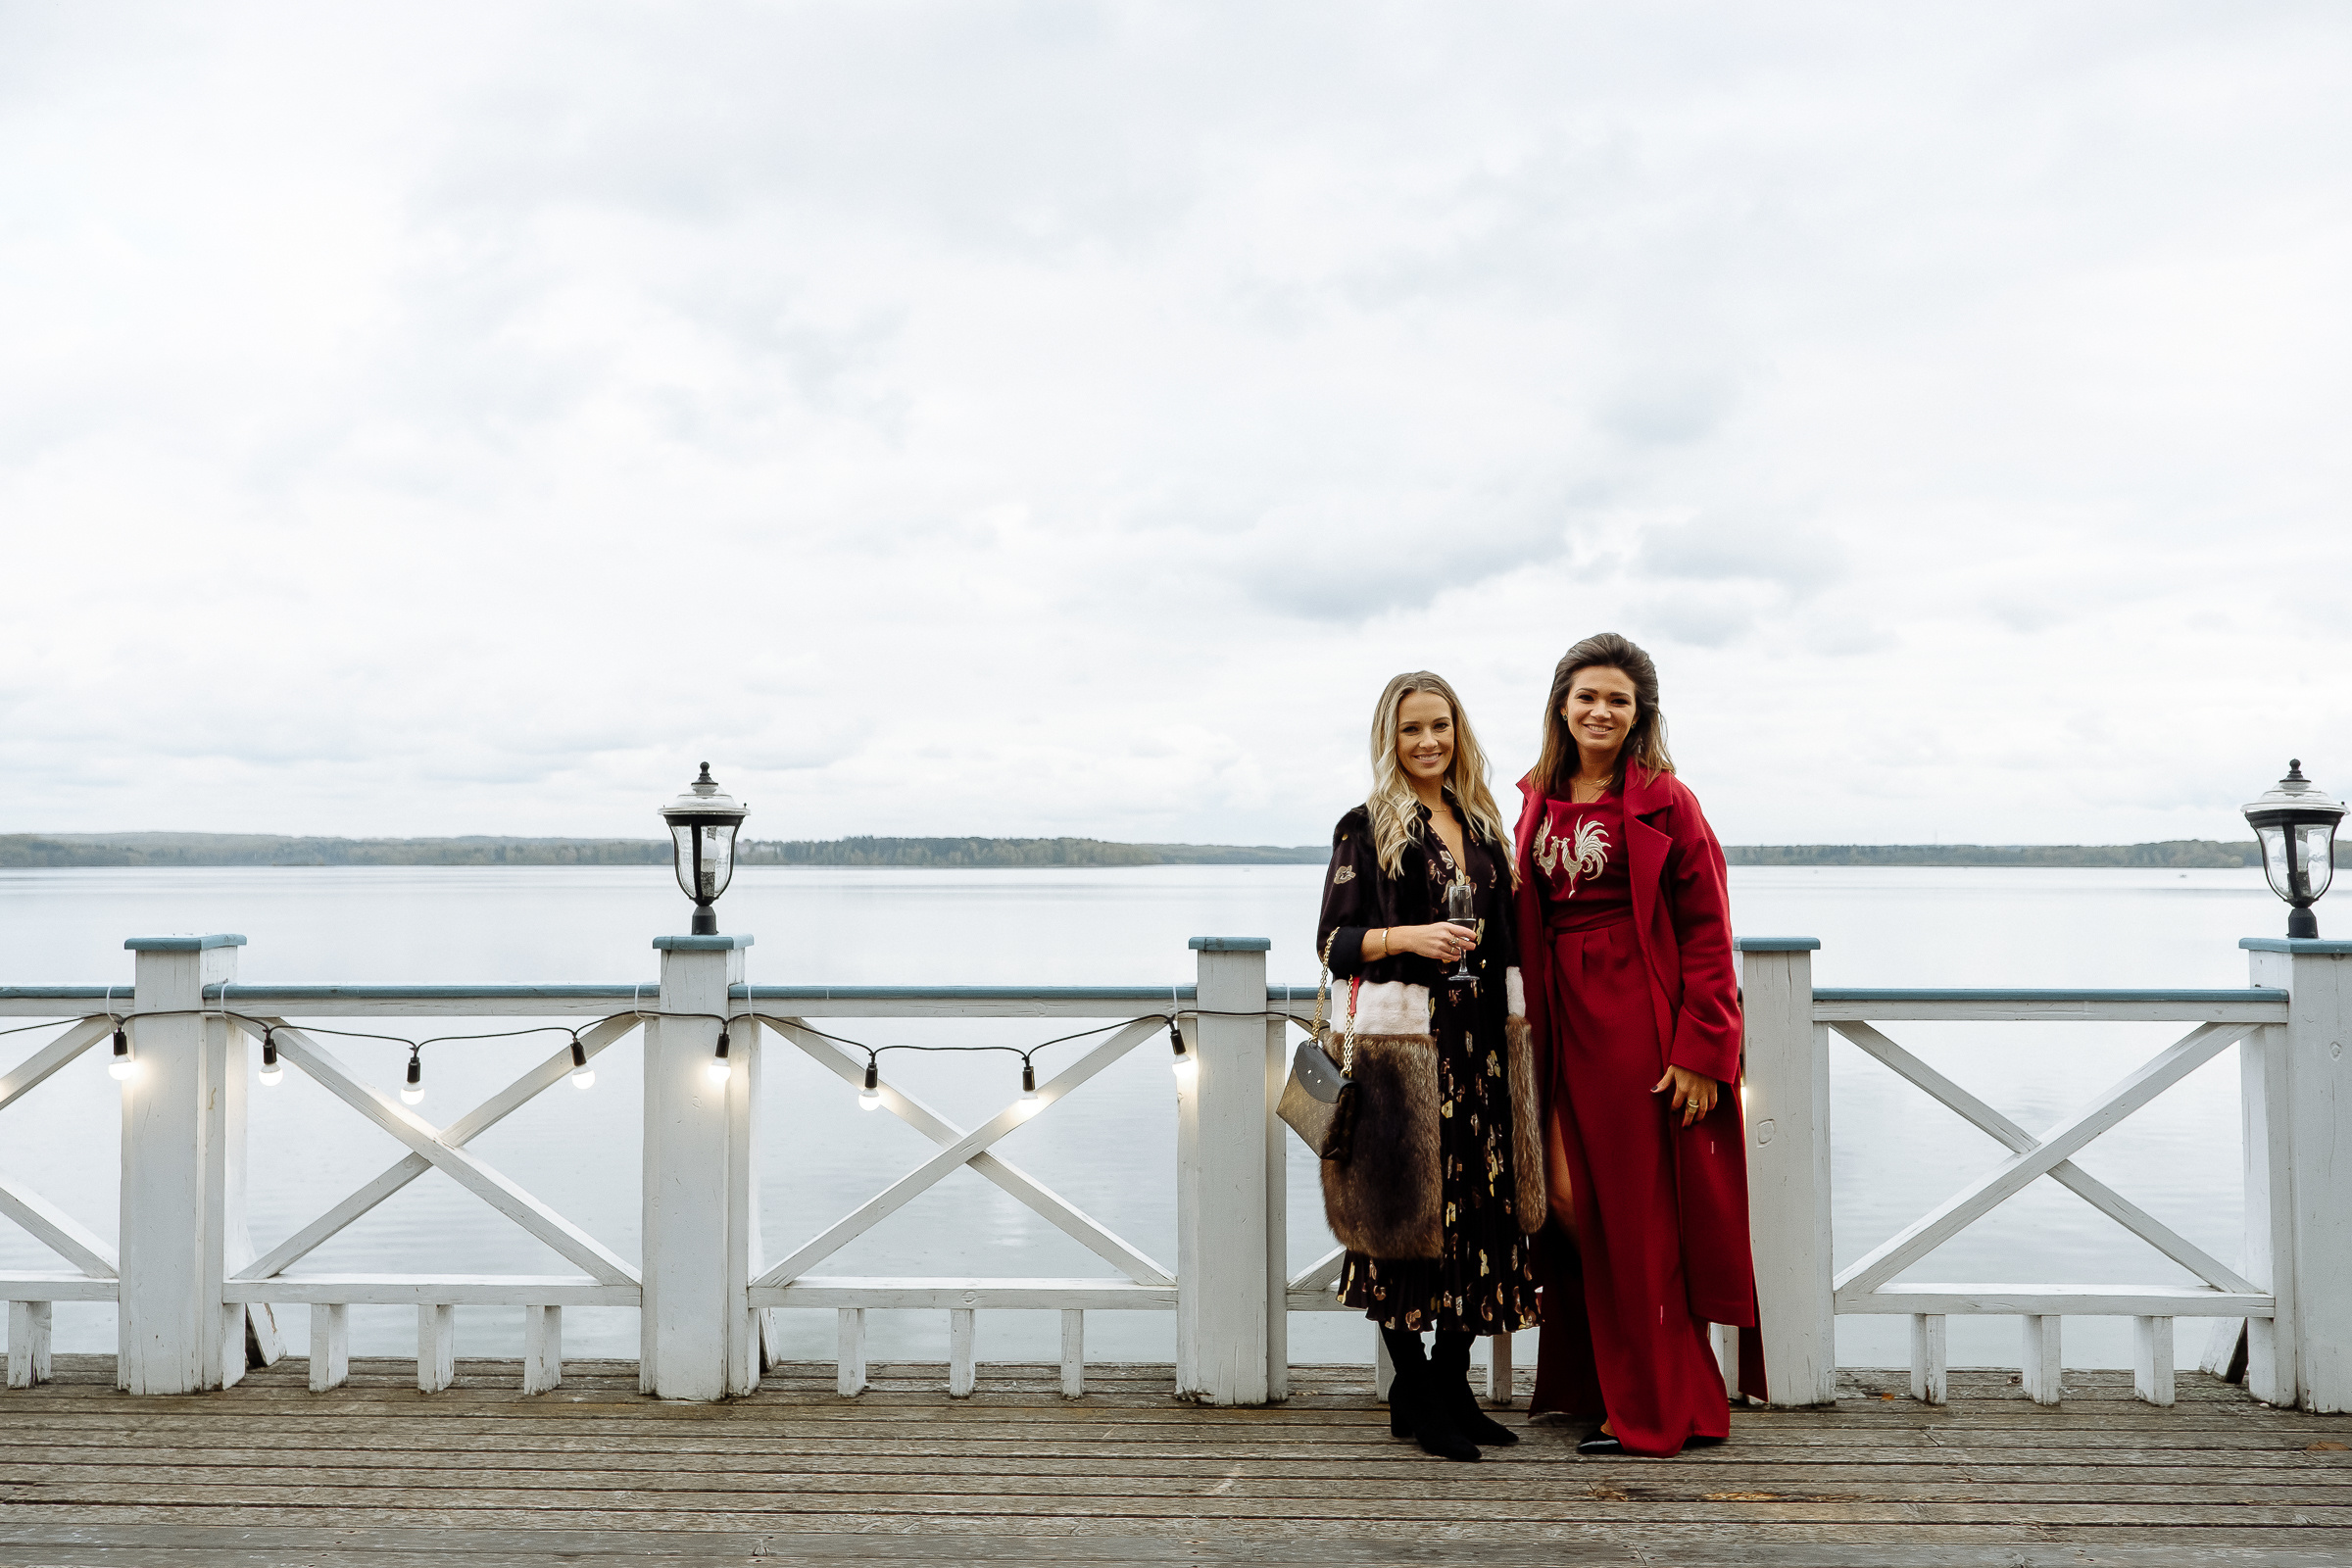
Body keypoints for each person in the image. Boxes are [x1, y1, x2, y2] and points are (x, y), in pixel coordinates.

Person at [1513, 632, 1763, 1457]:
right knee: (1561, 1198)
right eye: (1587, 696)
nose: (1601, 711)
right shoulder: (1537, 797)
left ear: (1639, 714)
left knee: (1637, 1218)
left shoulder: (1669, 801)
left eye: (1617, 700)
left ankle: (1656, 1406)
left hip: (1635, 1018)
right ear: (1562, 706)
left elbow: (1709, 931)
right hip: (1557, 1018)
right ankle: (1632, 1385)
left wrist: (1703, 1050)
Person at [1315, 671, 1546, 1462]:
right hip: (1407, 1055)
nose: (1427, 741)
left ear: (1458, 731)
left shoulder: (1481, 822)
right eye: (1411, 728)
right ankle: (1413, 1386)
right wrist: (1409, 938)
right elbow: (1333, 944)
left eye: (1439, 725)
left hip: (1481, 1050)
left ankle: (1452, 1382)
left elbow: (1508, 936)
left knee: (1479, 1213)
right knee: (1404, 1214)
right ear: (1390, 738)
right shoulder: (1364, 826)